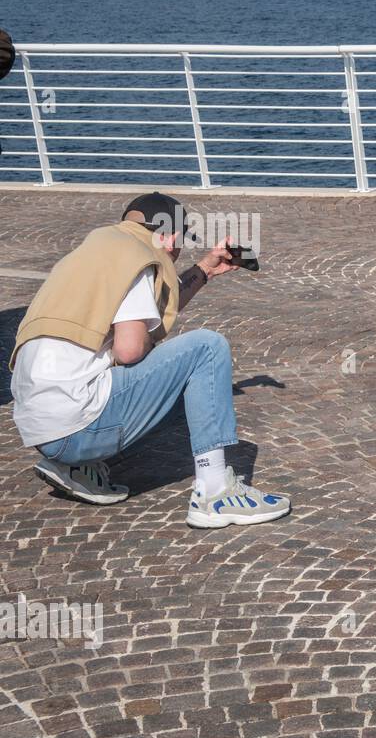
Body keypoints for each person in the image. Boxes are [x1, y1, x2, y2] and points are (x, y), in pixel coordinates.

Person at [9, 192, 291, 528]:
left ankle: (78, 468)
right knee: (206, 348)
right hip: (75, 429)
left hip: (43, 430)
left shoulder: (94, 252)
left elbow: (143, 317)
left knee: (141, 367)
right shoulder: (139, 258)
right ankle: (216, 493)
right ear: (169, 236)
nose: (176, 252)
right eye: (180, 241)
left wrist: (204, 270)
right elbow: (130, 350)